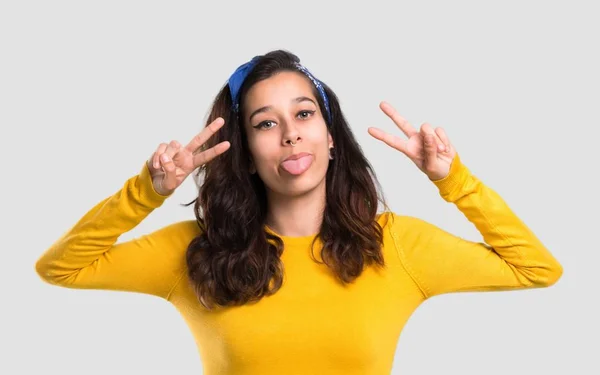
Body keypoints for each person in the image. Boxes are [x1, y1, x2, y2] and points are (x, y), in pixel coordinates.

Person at [35, 49, 563, 375]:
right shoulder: (198, 254)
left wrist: (454, 180)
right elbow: (61, 267)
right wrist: (145, 191)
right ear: (245, 152)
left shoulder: (396, 246)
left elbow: (536, 269)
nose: (290, 133)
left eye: (304, 113)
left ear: (330, 139)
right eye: (265, 123)